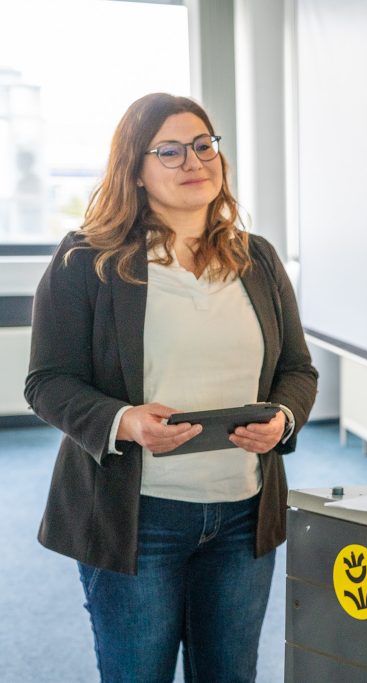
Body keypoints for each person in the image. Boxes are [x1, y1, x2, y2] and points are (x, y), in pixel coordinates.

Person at [25, 93, 318, 682]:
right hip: (137, 516)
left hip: (243, 512)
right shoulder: (87, 260)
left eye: (204, 145)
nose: (194, 161)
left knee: (230, 674)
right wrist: (125, 421)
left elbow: (297, 370)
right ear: (135, 169)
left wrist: (283, 418)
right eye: (171, 151)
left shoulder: (257, 259)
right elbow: (47, 381)